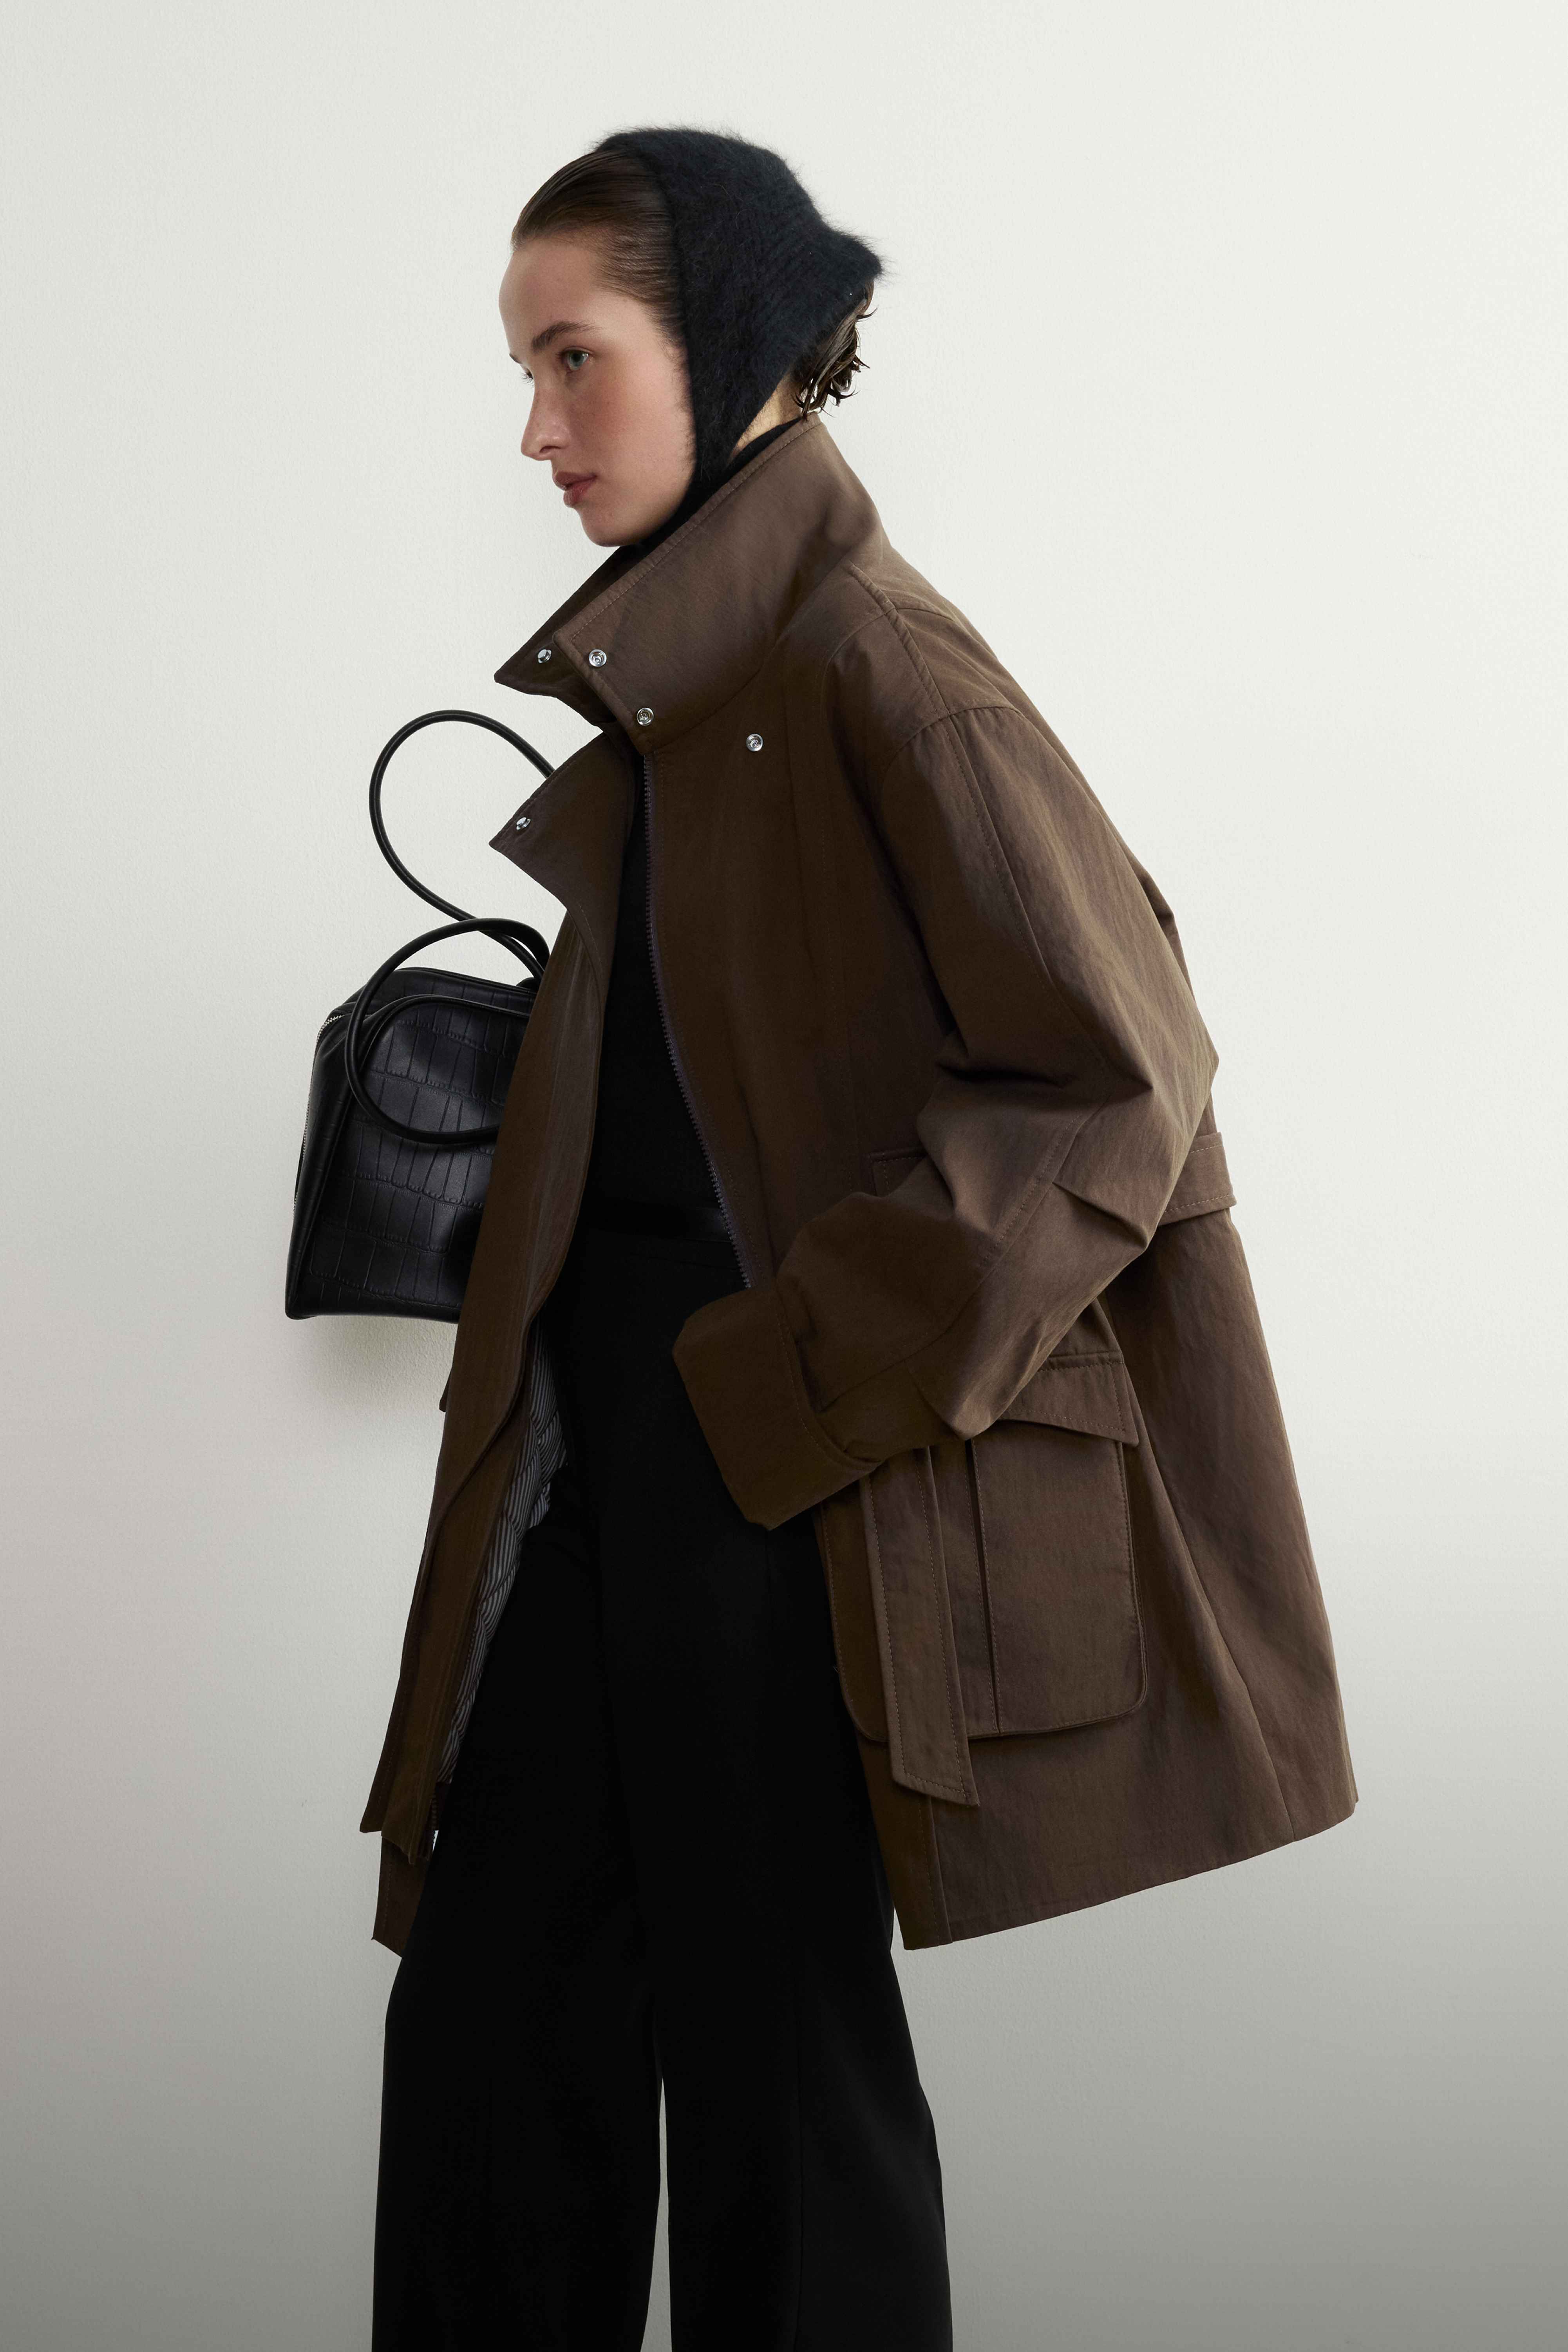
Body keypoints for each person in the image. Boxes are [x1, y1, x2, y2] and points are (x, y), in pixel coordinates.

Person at [364, 127, 1356, 2351]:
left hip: (772, 1466)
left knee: (773, 2066)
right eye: (525, 371)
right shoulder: (692, 683)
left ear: (729, 348)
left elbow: (1119, 1074)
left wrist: (793, 1384)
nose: (535, 428)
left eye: (572, 359)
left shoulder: (875, 662)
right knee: (501, 2021)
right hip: (600, 1456)